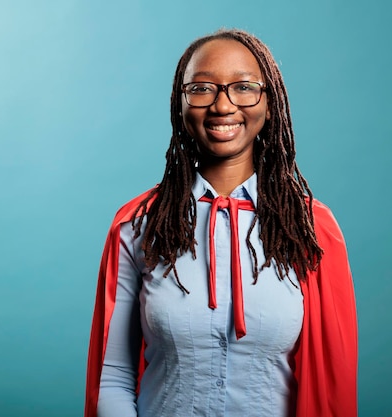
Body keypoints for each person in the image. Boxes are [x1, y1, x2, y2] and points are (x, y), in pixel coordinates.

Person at [85, 29, 357, 417]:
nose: (223, 105)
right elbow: (113, 376)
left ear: (269, 101)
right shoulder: (138, 225)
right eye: (201, 88)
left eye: (244, 87)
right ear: (180, 103)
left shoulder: (310, 227)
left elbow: (332, 385)